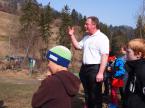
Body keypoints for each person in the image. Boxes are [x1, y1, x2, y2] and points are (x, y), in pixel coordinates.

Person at [68, 16, 109, 108]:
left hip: (95, 69)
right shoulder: (86, 37)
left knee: (95, 95)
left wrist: (101, 73)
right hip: (84, 68)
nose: (85, 25)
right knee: (87, 94)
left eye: (87, 24)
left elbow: (105, 56)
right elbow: (77, 46)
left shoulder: (102, 38)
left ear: (94, 25)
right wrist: (71, 35)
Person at [124, 38, 145, 108]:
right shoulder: (131, 68)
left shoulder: (142, 70)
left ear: (138, 54)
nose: (125, 54)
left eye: (128, 52)